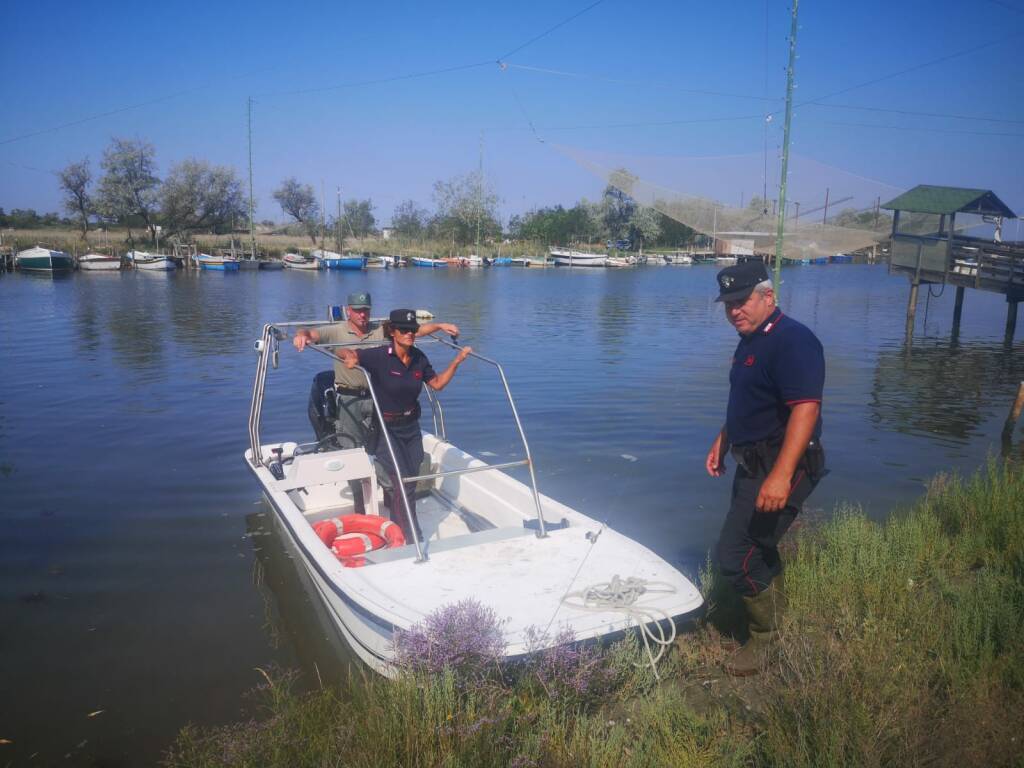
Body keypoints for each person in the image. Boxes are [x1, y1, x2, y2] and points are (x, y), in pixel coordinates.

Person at [705, 261, 826, 676]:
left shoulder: (792, 341)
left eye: (742, 301)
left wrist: (779, 476)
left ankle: (766, 641)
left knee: (734, 554)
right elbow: (749, 398)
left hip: (782, 465)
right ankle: (778, 611)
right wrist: (723, 439)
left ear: (768, 297)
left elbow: (805, 410)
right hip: (752, 460)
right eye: (728, 304)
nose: (734, 310)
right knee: (756, 545)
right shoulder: (751, 339)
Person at [292, 292, 459, 512]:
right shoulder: (335, 331)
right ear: (348, 310)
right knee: (351, 451)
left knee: (382, 452)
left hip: (376, 398)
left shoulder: (379, 329)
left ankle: (392, 496)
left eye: (366, 310)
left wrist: (440, 326)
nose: (362, 315)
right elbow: (310, 333)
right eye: (358, 310)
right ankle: (359, 503)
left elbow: (412, 331)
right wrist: (300, 335)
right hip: (349, 399)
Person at [338, 309, 472, 544]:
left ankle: (398, 526)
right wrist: (348, 355)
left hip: (411, 427)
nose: (410, 334)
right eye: (405, 330)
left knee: (410, 479)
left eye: (413, 330)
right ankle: (411, 537)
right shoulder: (379, 356)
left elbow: (437, 384)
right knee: (402, 481)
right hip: (386, 430)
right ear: (393, 332)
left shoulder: (419, 358)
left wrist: (457, 361)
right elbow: (346, 352)